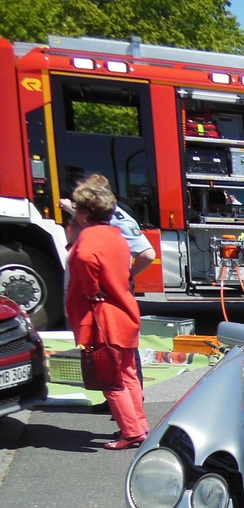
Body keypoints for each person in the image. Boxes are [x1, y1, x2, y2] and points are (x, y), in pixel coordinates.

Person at [64, 177, 149, 450]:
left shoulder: (89, 237)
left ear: (85, 212)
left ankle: (131, 432)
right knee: (128, 373)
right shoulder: (115, 235)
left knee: (111, 379)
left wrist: (91, 288)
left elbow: (86, 258)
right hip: (124, 313)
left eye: (77, 206)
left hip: (104, 318)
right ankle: (140, 425)